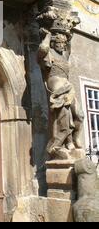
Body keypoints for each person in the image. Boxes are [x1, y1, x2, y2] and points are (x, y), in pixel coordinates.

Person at [38, 29, 84, 159]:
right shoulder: (48, 53)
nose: (62, 45)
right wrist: (47, 36)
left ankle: (74, 138)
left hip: (68, 87)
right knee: (64, 116)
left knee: (79, 115)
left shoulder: (64, 55)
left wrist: (68, 32)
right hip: (57, 88)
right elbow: (42, 48)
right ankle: (61, 144)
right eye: (59, 42)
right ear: (53, 43)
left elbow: (69, 43)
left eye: (64, 43)